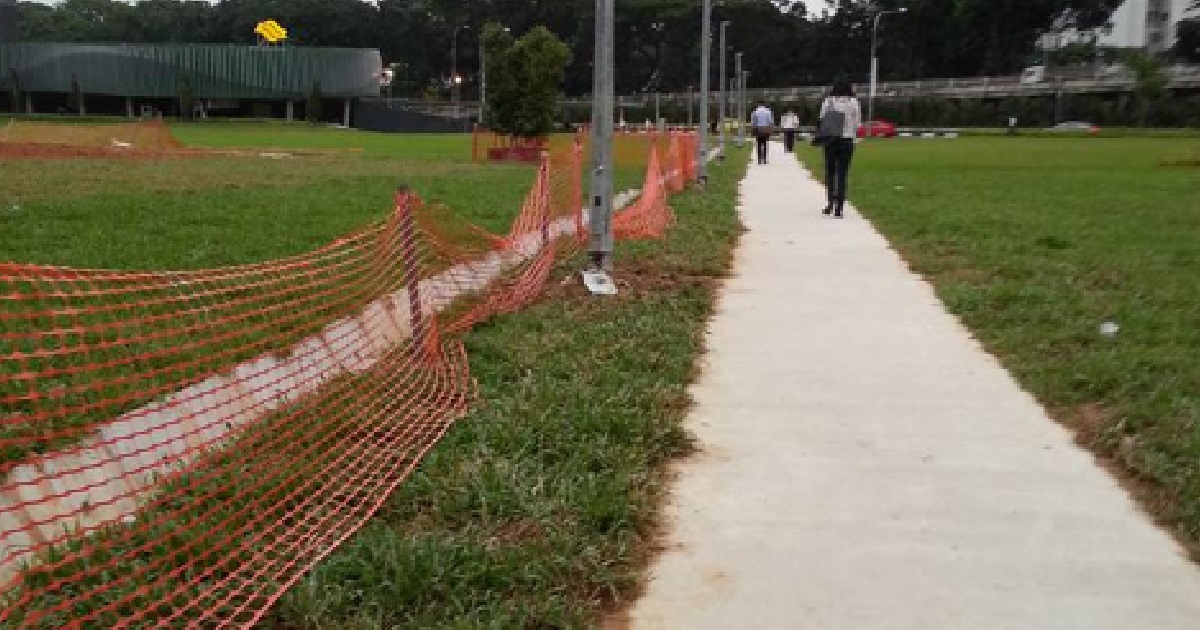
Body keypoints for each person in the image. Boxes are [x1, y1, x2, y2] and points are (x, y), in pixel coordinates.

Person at [818, 81, 861, 218]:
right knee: (842, 173)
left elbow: (822, 119)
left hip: (831, 140)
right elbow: (857, 124)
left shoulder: (828, 101)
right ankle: (839, 208)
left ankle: (830, 203)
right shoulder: (854, 102)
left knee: (830, 172)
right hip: (847, 140)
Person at [750, 100, 774, 165]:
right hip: (766, 129)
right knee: (765, 144)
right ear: (764, 104)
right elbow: (770, 122)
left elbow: (753, 122)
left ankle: (759, 160)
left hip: (758, 129)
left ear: (758, 104)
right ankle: (765, 159)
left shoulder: (755, 112)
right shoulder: (768, 111)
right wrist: (771, 130)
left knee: (759, 144)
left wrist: (752, 130)